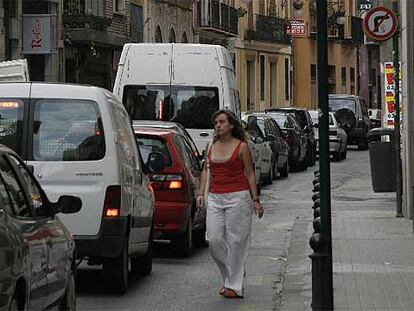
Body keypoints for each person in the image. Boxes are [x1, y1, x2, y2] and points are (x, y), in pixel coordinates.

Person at [196, 110, 264, 299]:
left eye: (222, 122)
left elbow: (250, 174)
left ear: (231, 125)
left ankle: (233, 285)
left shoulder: (241, 147)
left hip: (238, 197)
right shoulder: (210, 146)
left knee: (236, 241)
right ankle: (234, 274)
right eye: (216, 122)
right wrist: (201, 193)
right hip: (216, 198)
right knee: (214, 240)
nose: (218, 125)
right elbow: (205, 171)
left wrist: (255, 200)